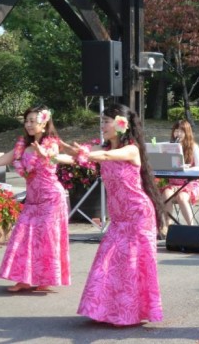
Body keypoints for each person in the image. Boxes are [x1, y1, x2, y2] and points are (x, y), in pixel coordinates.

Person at [0, 105, 70, 292]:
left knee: (46, 239)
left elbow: (54, 155)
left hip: (51, 199)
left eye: (33, 121)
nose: (29, 125)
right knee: (23, 237)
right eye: (27, 121)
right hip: (33, 200)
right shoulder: (22, 146)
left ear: (44, 122)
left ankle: (45, 279)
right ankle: (23, 279)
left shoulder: (52, 143)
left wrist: (45, 154)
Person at [74, 103, 164, 326]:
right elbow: (84, 156)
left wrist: (88, 153)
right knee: (107, 261)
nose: (102, 125)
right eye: (102, 121)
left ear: (120, 124)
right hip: (119, 219)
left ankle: (130, 313)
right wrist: (59, 152)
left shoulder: (131, 149)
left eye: (106, 121)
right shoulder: (102, 148)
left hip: (137, 215)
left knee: (131, 266)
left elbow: (105, 157)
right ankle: (103, 310)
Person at [159, 120, 199, 236]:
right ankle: (167, 227)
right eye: (176, 130)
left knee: (182, 197)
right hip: (174, 182)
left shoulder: (194, 147)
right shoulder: (170, 146)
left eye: (181, 131)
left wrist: (186, 169)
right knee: (166, 195)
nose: (178, 133)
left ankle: (191, 228)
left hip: (190, 182)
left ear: (187, 133)